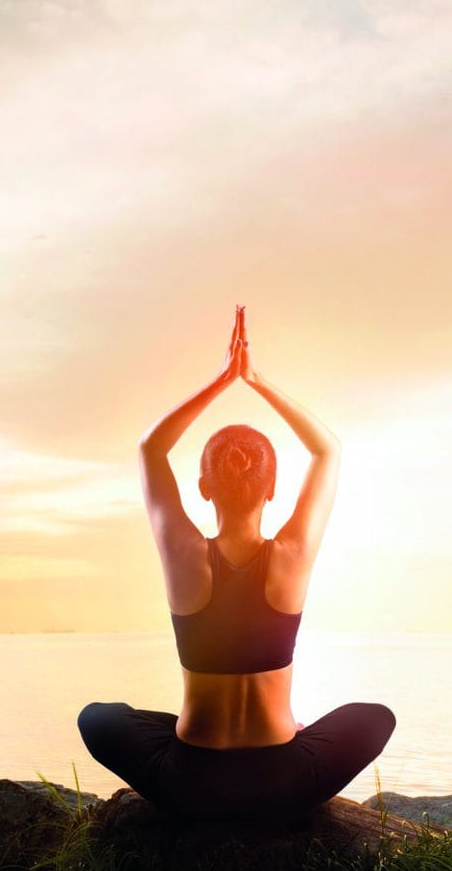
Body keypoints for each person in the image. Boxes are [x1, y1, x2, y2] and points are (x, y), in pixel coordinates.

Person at [77, 307, 396, 825]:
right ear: (272, 489)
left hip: (190, 783)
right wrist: (256, 380)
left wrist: (222, 380)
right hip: (283, 782)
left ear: (204, 487)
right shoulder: (291, 555)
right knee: (375, 717)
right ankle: (279, 733)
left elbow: (151, 447)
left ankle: (194, 736)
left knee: (99, 718)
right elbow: (326, 450)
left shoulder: (183, 554)